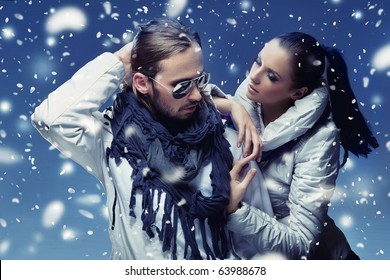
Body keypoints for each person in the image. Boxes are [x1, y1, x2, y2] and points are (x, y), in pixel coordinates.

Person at [31, 17, 272, 260]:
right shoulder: (114, 142)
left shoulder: (231, 142)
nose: (198, 96)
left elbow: (266, 254)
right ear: (142, 83)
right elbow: (51, 119)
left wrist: (237, 212)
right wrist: (123, 59)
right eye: (182, 86)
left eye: (200, 80)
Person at [216, 32, 379, 260]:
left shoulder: (320, 138)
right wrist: (230, 106)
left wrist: (236, 211)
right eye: (258, 61)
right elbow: (184, 101)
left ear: (298, 93)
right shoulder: (248, 103)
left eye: (272, 76)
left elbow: (303, 244)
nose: (254, 76)